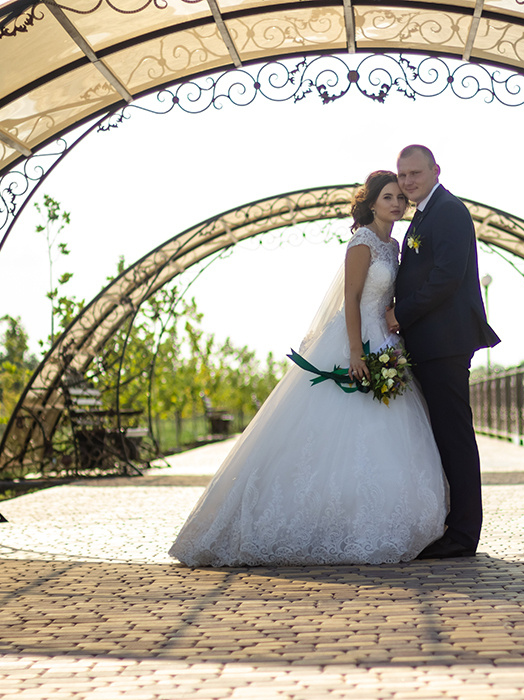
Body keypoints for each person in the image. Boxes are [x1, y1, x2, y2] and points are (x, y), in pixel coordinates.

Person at [169, 171, 448, 566]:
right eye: (388, 197)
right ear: (370, 203)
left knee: (379, 435)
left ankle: (368, 519)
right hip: (355, 338)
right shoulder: (362, 243)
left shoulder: (394, 246)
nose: (397, 204)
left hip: (386, 341)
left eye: (400, 198)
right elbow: (350, 300)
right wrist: (355, 351)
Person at [387, 144, 500, 559]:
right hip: (429, 343)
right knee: (444, 437)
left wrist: (400, 313)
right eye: (402, 176)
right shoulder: (424, 214)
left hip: (444, 343)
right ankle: (453, 524)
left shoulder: (449, 211)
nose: (408, 182)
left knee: (455, 438)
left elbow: (447, 276)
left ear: (436, 170)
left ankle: (464, 534)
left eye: (415, 173)